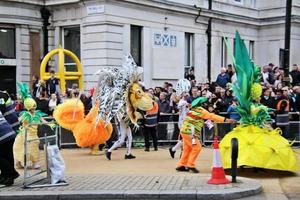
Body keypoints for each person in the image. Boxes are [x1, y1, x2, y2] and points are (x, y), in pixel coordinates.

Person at [175, 97, 235, 173]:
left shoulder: (194, 110)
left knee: (187, 149)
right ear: (202, 104)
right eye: (205, 103)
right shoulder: (201, 110)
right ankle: (190, 165)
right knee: (197, 147)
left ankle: (181, 165)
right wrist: (226, 120)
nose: (206, 104)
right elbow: (212, 117)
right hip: (190, 132)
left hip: (184, 131)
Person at [13, 83, 48, 169]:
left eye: (34, 106)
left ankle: (35, 162)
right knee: (23, 148)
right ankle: (18, 162)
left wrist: (51, 123)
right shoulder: (25, 114)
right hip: (25, 134)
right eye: (32, 107)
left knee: (34, 147)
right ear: (29, 107)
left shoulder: (37, 114)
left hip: (34, 134)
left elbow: (43, 120)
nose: (34, 108)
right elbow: (18, 120)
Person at [0, 91, 20, 186]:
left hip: (3, 134)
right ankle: (7, 177)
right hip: (9, 131)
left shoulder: (2, 96)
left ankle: (12, 173)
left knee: (4, 156)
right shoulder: (4, 95)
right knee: (7, 156)